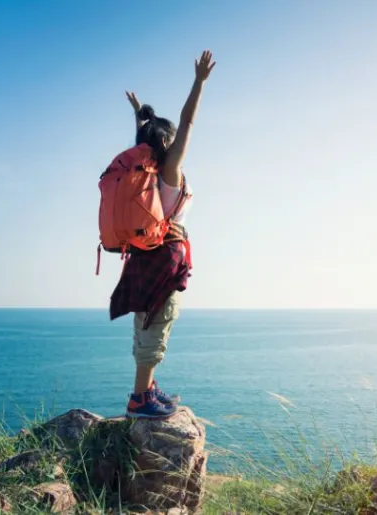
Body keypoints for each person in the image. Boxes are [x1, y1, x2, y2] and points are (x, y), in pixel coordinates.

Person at [109, 49, 216, 419]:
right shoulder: (169, 172)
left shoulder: (145, 171)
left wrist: (139, 115)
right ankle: (141, 399)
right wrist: (199, 82)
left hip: (142, 253)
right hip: (163, 256)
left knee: (145, 321)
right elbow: (187, 123)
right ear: (166, 144)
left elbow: (146, 139)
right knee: (159, 321)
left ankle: (147, 388)